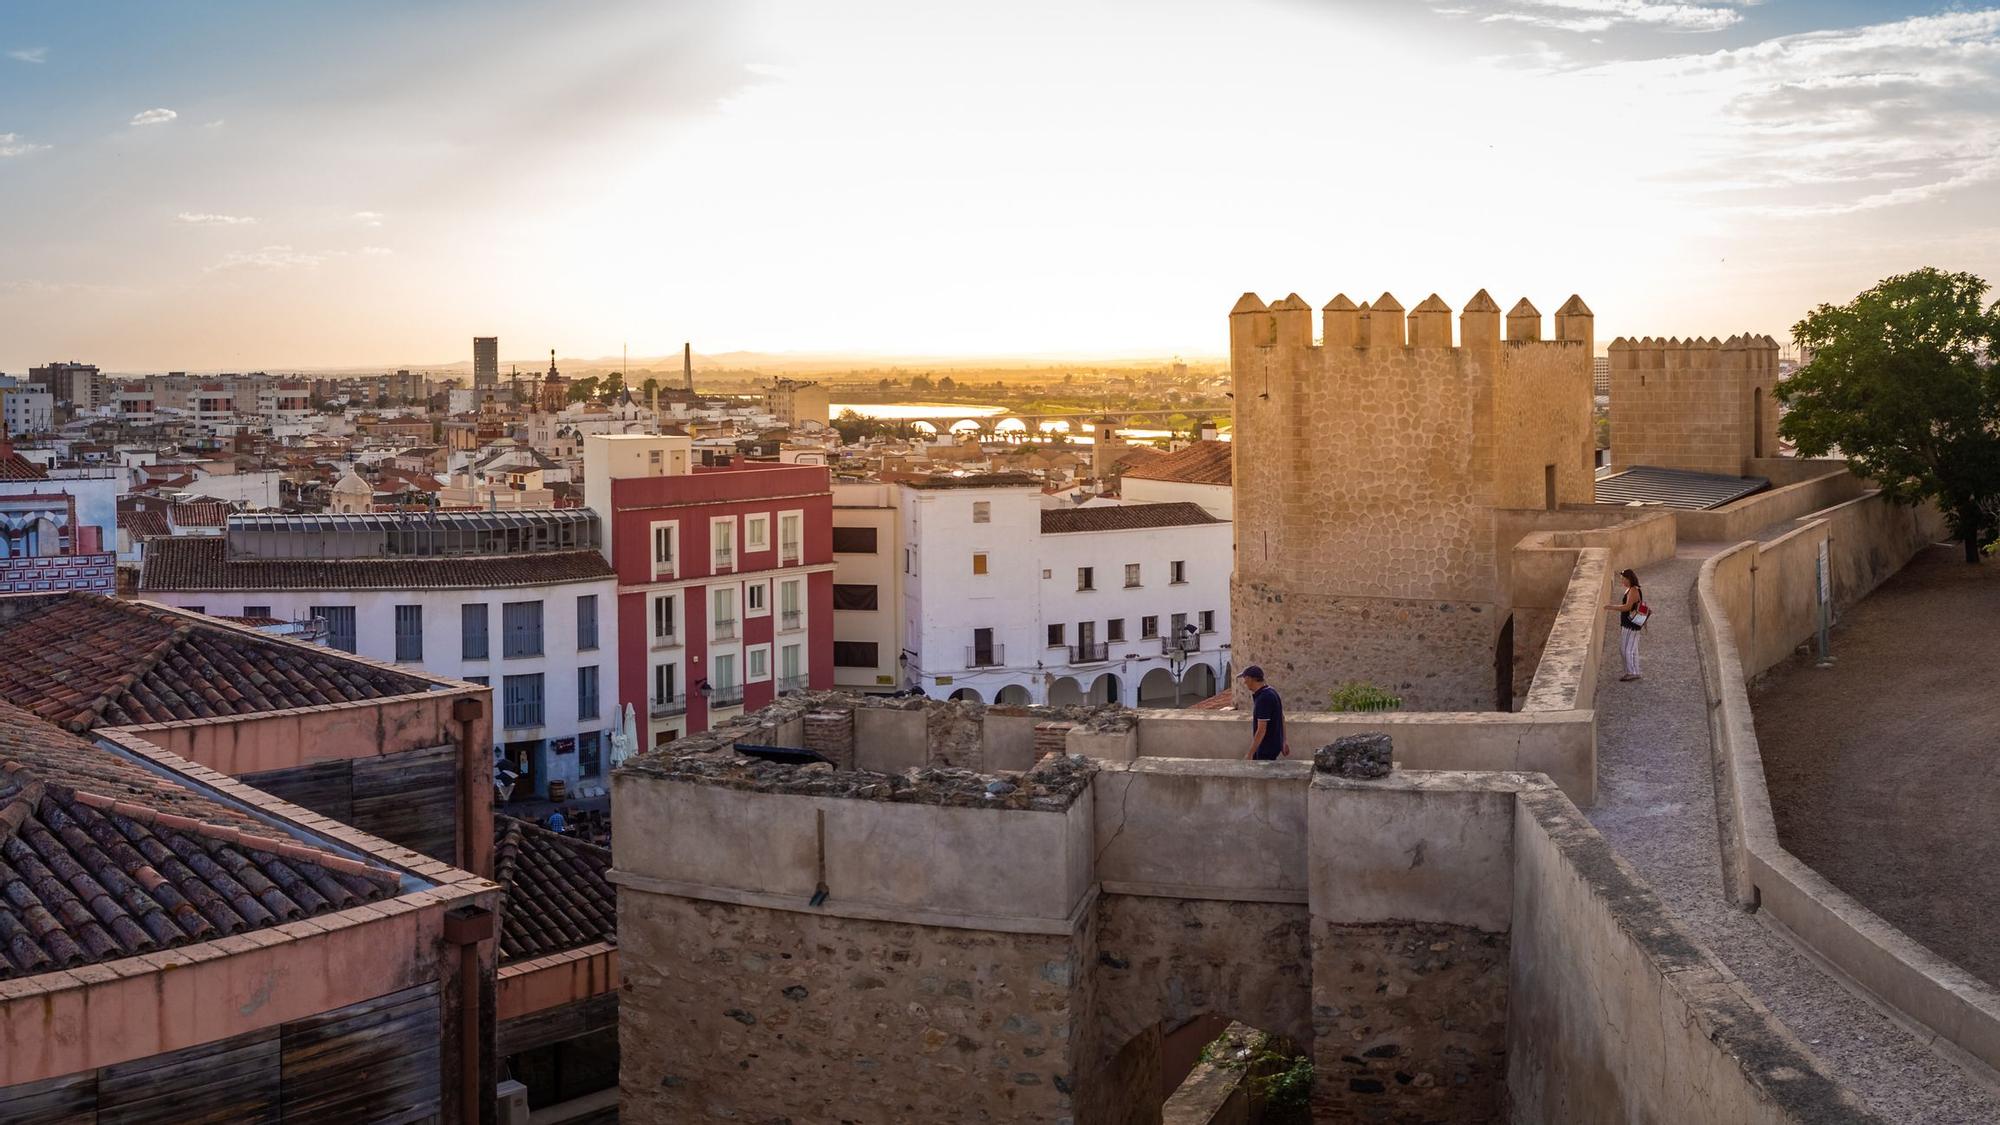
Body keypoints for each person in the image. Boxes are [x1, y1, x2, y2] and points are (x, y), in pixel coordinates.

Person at [1241, 666, 1289, 760]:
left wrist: (1250, 754)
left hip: (1266, 748)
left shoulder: (1264, 698)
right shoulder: (1271, 691)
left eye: (1245, 678)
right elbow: (1281, 718)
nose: (1244, 682)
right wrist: (1284, 741)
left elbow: (1261, 729)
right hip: (1274, 745)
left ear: (1251, 679)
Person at [1606, 568, 1644, 682]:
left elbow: (1627, 607)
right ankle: (1635, 671)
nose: (1622, 581)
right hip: (1629, 623)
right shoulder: (1631, 589)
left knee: (1626, 649)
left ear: (1629, 579)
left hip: (1630, 624)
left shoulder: (1633, 590)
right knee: (1632, 648)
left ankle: (1631, 672)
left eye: (1623, 579)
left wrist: (1611, 607)